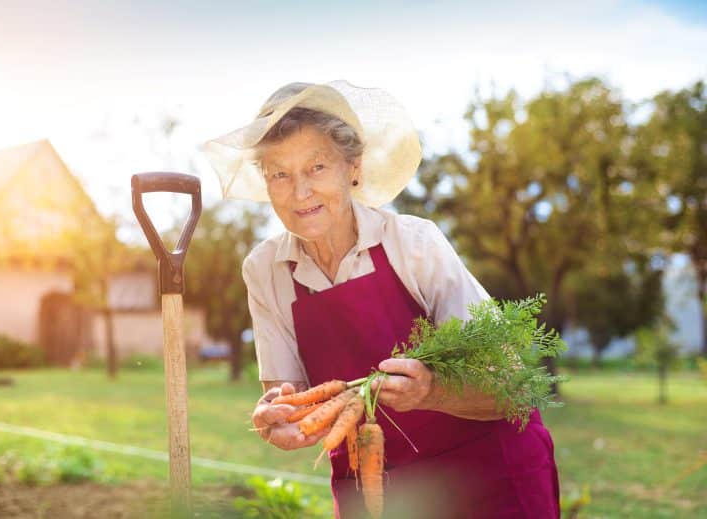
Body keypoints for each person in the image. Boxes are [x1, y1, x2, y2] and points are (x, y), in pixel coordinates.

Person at [204, 80, 560, 519]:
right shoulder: (265, 269)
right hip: (375, 491)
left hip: (488, 480)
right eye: (280, 173)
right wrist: (280, 417)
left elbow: (511, 388)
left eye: (317, 167)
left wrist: (432, 390)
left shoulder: (413, 244)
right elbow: (291, 396)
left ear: (353, 167)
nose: (300, 193)